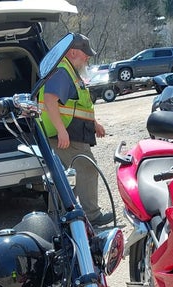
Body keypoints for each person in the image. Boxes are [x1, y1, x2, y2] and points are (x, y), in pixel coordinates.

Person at [39, 33, 111, 226]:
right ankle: (92, 215)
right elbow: (49, 100)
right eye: (85, 53)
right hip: (66, 135)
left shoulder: (70, 71)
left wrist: (94, 124)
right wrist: (61, 130)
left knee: (72, 175)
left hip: (73, 134)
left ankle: (63, 217)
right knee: (87, 168)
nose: (88, 57)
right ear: (72, 52)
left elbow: (79, 104)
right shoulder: (62, 72)